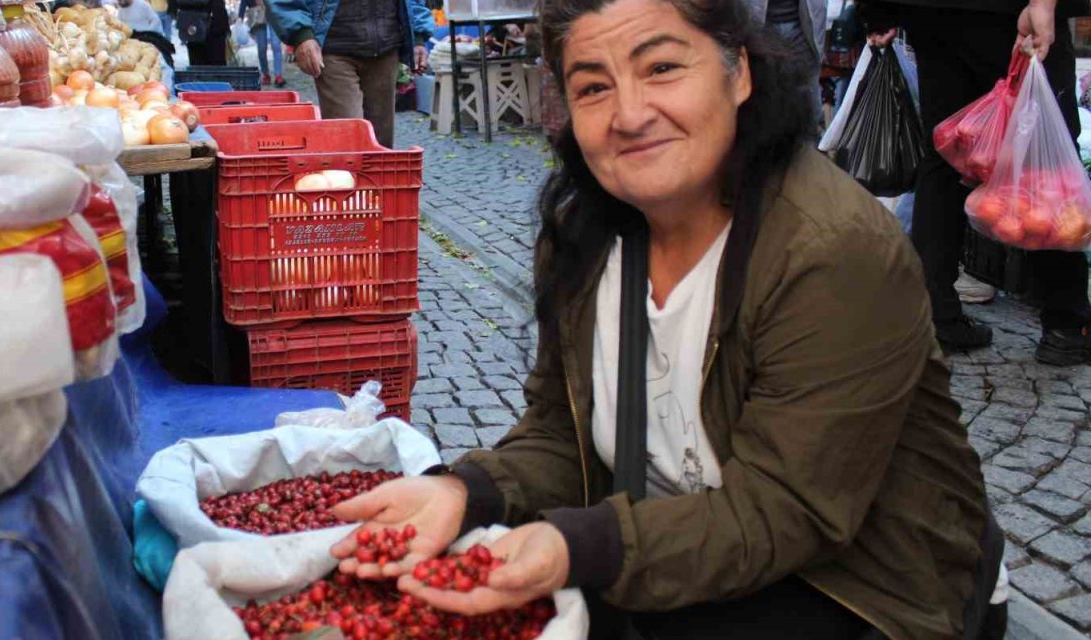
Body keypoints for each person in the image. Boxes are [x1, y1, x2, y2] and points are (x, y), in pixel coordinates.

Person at [325, 0, 1006, 638]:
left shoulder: (828, 248)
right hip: (677, 544)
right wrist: (466, 493)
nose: (628, 114)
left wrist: (575, 546)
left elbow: (786, 510)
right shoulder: (582, 230)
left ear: (738, 73)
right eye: (593, 87)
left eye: (661, 68)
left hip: (860, 582)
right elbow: (562, 435)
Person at [860, 0, 1091, 362]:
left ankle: (935, 314)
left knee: (944, 153)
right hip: (1005, 10)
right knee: (1046, 161)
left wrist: (878, 10)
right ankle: (1065, 321)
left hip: (935, 13)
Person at [266, 0, 434, 148]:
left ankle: (375, 183)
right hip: (334, 48)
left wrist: (417, 34)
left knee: (380, 146)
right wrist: (301, 35)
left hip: (386, 46)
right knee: (347, 142)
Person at [748, 0, 828, 124]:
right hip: (764, 28)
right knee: (768, 93)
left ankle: (813, 135)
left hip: (803, 30)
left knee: (809, 94)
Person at [239, 0, 285, 86]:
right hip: (258, 13)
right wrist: (240, 17)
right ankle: (266, 74)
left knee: (276, 45)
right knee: (261, 48)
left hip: (273, 12)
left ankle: (278, 75)